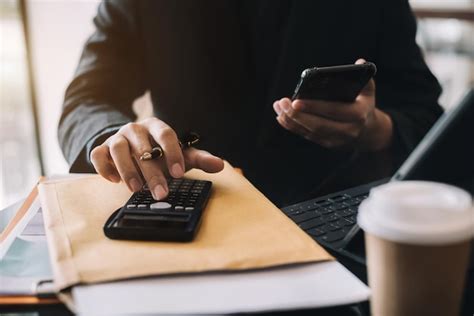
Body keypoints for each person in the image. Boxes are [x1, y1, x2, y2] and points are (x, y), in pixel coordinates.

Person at [59, 0, 443, 206]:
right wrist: (115, 138)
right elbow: (87, 98)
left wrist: (376, 131)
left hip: (335, 224)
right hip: (191, 216)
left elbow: (426, 114)